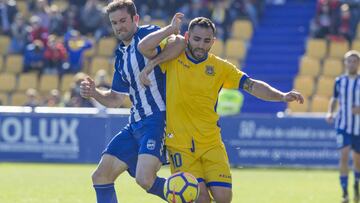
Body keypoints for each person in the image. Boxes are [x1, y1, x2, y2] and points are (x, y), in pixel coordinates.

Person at [138, 15, 304, 203]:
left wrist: (281, 96)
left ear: (213, 41)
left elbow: (251, 85)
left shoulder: (220, 67)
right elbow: (144, 47)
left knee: (224, 198)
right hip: (180, 145)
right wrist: (168, 31)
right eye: (197, 39)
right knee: (200, 198)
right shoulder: (172, 57)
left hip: (211, 143)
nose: (201, 45)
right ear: (187, 37)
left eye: (207, 41)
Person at [79, 1, 184, 202]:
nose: (119, 26)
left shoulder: (148, 34)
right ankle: (184, 196)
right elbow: (116, 99)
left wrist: (153, 63)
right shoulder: (120, 56)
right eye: (114, 23)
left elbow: (179, 41)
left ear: (135, 18)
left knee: (145, 179)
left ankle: (186, 197)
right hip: (135, 123)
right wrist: (94, 93)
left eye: (123, 20)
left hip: (157, 119)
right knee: (101, 176)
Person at [326, 50, 360, 203]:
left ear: (358, 64)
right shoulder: (339, 81)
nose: (351, 64)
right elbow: (334, 98)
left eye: (354, 61)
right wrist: (330, 113)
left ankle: (356, 185)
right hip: (343, 125)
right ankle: (345, 193)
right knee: (344, 155)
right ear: (345, 63)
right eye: (349, 61)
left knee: (357, 160)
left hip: (358, 128)